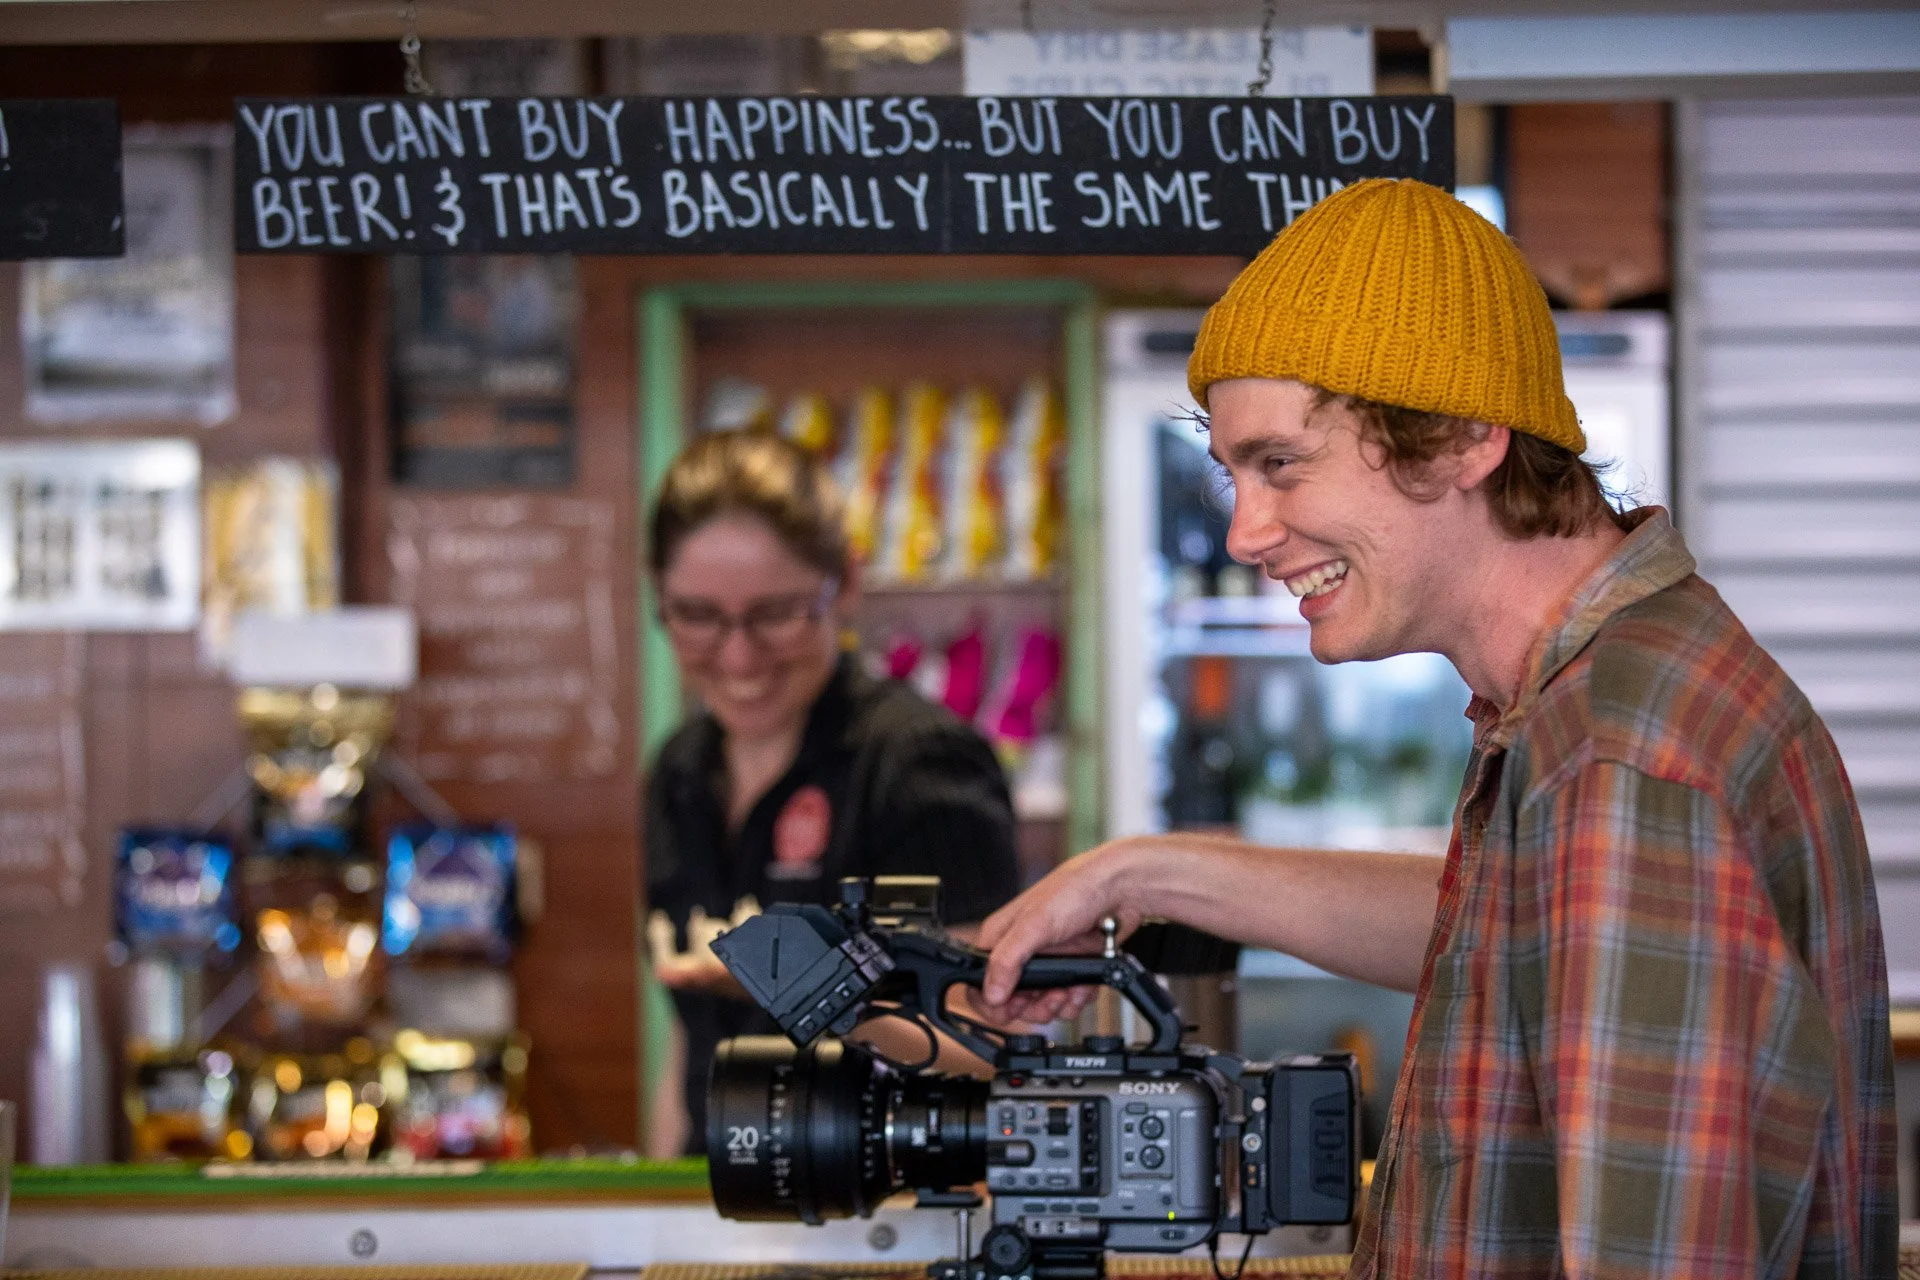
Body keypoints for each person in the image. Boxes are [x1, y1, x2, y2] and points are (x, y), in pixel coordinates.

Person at [976, 179, 1896, 1278]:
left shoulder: (1623, 757)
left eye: (1281, 463)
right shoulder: (1584, 705)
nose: (1246, 531)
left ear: (1461, 439)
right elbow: (1504, 933)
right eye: (1231, 473)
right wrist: (1148, 872)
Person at [644, 428, 1021, 1153]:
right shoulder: (678, 771)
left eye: (775, 613)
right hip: (725, 1197)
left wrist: (800, 989)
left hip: (888, 1210)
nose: (738, 654)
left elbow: (991, 1040)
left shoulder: (918, 760)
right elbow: (685, 1043)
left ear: (844, 584)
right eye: (697, 615)